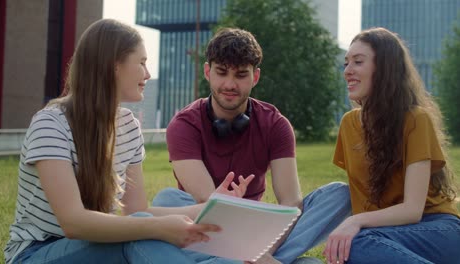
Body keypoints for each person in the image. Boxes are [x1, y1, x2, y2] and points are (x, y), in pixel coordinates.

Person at [4, 19, 254, 264]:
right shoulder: (51, 124)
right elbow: (73, 223)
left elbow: (135, 212)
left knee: (148, 230)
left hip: (102, 247)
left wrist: (211, 206)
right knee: (143, 234)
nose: (148, 73)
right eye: (142, 63)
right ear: (114, 65)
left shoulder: (128, 126)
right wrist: (155, 227)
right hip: (37, 253)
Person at [151, 27, 352, 264]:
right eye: (222, 72)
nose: (230, 84)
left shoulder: (276, 124)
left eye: (240, 75)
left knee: (339, 194)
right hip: (202, 226)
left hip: (258, 230)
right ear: (208, 72)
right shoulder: (184, 125)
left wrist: (260, 250)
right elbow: (210, 205)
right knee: (168, 199)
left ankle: (238, 260)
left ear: (255, 77)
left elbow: (291, 203)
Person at [324, 27, 460, 264]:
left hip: (436, 229)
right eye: (346, 63)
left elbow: (412, 210)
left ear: (384, 68)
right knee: (351, 247)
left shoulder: (416, 119)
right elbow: (363, 196)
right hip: (383, 234)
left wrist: (354, 221)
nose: (347, 71)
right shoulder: (348, 125)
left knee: (357, 243)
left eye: (358, 62)